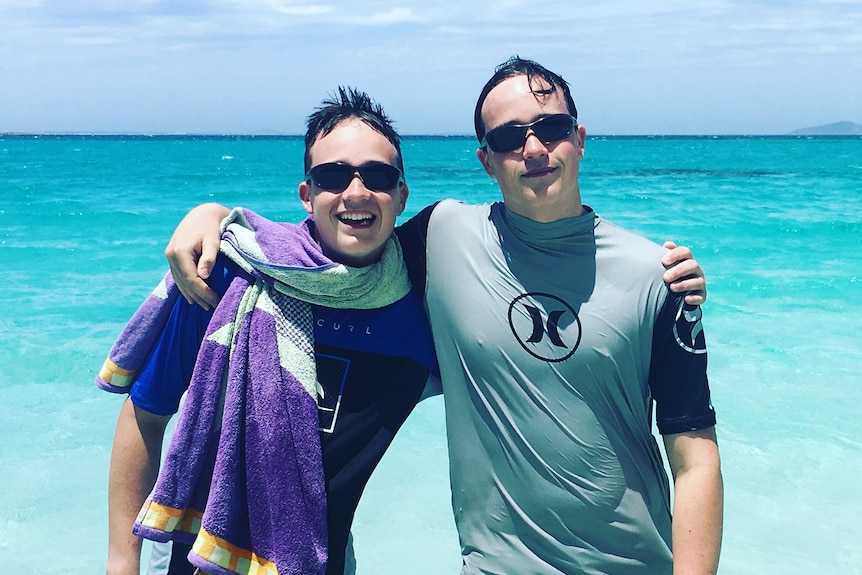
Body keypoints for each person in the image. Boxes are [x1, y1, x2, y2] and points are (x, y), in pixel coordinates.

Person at [165, 58, 720, 574]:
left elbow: (694, 458)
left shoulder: (659, 275)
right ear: (485, 160)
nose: (533, 149)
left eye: (550, 128)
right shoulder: (443, 235)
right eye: (508, 137)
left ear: (578, 139)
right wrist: (215, 215)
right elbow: (325, 252)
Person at [100, 87, 438, 575]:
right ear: (307, 195)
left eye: (379, 176)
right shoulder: (229, 275)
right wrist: (121, 559)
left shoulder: (423, 302)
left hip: (320, 558)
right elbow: (146, 415)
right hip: (196, 555)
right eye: (333, 175)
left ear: (402, 195)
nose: (357, 192)